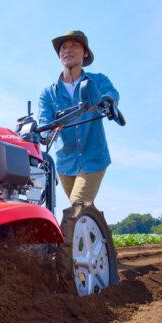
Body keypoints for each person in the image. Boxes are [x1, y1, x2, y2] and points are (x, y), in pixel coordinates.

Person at [37, 30, 119, 211]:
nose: (67, 50)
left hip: (94, 157)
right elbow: (44, 121)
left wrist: (107, 102)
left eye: (74, 45)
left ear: (86, 53)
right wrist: (42, 133)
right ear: (59, 55)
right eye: (63, 48)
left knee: (76, 206)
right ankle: (99, 236)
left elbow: (111, 95)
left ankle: (73, 238)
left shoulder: (98, 80)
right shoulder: (48, 94)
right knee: (83, 212)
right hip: (65, 163)